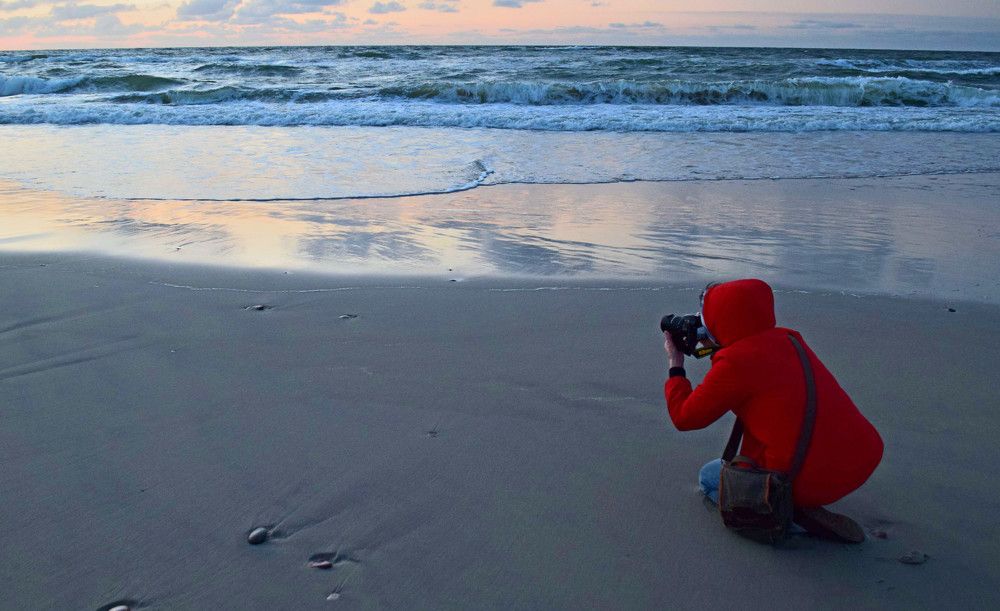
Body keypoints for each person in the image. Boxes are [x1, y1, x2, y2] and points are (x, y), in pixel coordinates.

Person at [663, 279, 883, 543]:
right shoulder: (789, 339)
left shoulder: (735, 364)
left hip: (809, 476)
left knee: (709, 477)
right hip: (862, 456)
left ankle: (788, 516)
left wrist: (676, 364)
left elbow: (684, 417)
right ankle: (797, 498)